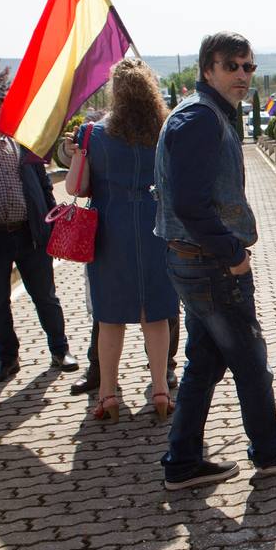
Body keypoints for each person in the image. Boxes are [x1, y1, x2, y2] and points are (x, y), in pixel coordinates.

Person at [155, 31, 276, 490]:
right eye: (233, 66)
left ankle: (183, 459)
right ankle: (268, 450)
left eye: (249, 67)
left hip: (196, 261)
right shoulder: (201, 120)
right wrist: (232, 255)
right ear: (207, 68)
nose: (243, 75)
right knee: (250, 359)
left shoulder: (205, 114)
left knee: (205, 362)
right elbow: (191, 204)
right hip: (210, 265)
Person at [69, 59, 180, 421]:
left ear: (115, 93)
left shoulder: (92, 134)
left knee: (110, 317)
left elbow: (74, 187)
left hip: (109, 230)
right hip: (154, 226)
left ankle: (108, 395)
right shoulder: (166, 130)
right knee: (157, 314)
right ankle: (161, 389)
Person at [0, 83, 76, 384]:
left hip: (29, 234)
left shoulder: (20, 142)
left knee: (46, 297)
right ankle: (7, 359)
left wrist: (52, 223)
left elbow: (43, 186)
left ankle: (60, 351)